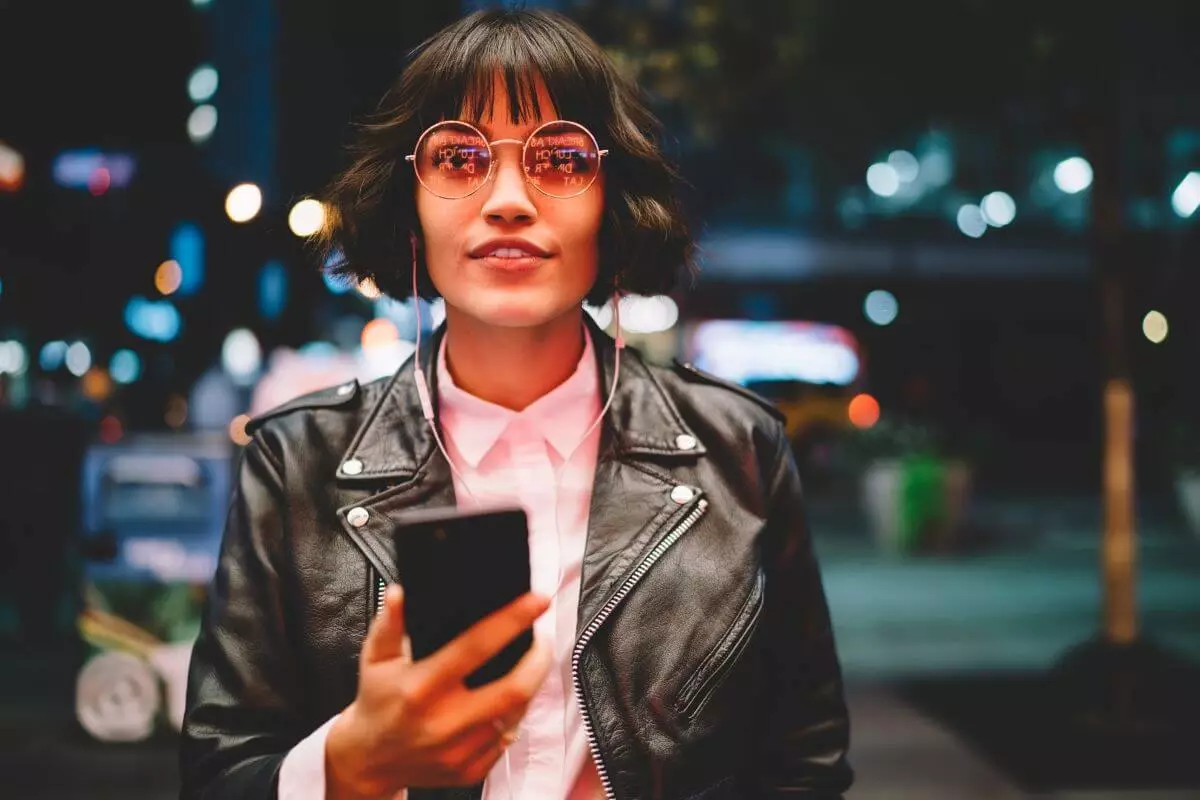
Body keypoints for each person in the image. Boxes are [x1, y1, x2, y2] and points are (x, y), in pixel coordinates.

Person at [180, 8, 852, 800]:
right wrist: (350, 767)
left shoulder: (739, 448)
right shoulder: (296, 463)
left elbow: (803, 766)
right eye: (460, 158)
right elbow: (220, 772)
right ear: (410, 206)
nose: (507, 198)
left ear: (615, 199)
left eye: (560, 160)